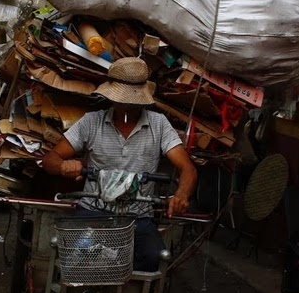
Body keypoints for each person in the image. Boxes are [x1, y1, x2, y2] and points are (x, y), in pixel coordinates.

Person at [43, 57, 196, 271]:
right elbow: (50, 159)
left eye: (132, 100)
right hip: (93, 211)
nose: (127, 105)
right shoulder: (92, 121)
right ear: (111, 97)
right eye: (122, 99)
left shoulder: (158, 124)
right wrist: (64, 165)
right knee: (73, 258)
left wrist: (181, 195)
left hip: (139, 217)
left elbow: (187, 168)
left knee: (153, 257)